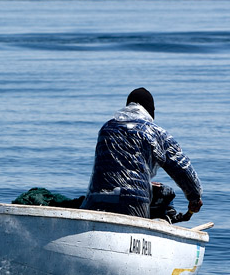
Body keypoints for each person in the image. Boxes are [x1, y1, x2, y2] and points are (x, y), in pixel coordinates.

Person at [82, 87, 203, 219]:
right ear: (150, 110)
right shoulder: (154, 132)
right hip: (132, 204)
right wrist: (195, 198)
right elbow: (182, 169)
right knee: (165, 192)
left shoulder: (106, 128)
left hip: (96, 199)